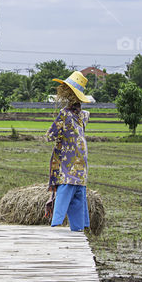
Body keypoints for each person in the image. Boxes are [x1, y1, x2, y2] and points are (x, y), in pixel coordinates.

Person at [45, 70, 95, 232]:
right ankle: (78, 228)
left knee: (64, 194)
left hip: (68, 163)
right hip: (81, 164)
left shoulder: (64, 115)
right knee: (78, 197)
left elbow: (50, 135)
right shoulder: (84, 116)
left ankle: (55, 225)